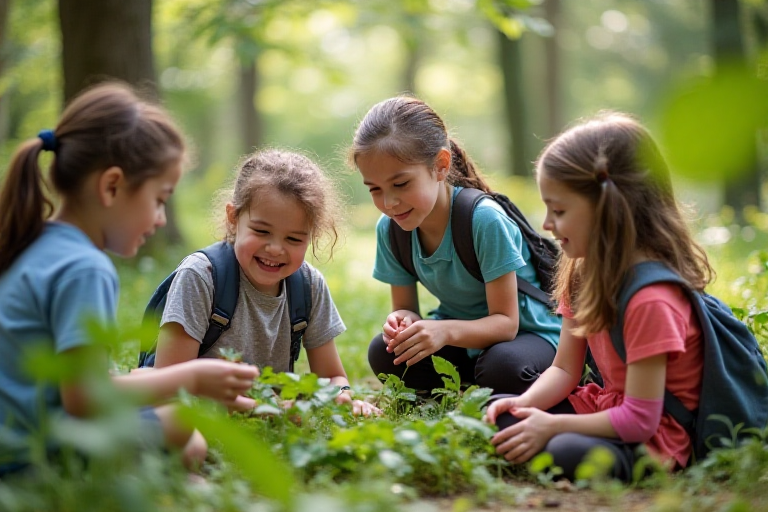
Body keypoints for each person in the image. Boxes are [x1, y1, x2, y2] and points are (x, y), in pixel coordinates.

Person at [0, 82, 260, 478]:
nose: (160, 219)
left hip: (15, 437)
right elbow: (84, 399)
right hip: (33, 457)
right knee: (186, 429)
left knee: (149, 391)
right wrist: (188, 377)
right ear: (112, 186)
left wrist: (143, 381)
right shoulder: (85, 268)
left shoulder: (35, 244)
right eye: (159, 199)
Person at [485, 112, 710, 482]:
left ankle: (556, 447)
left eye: (558, 210)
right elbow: (564, 369)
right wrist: (525, 405)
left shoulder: (651, 299)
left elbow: (640, 419)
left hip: (654, 436)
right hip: (608, 407)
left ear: (610, 211)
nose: (546, 224)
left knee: (566, 451)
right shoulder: (583, 272)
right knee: (501, 411)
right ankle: (540, 438)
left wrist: (553, 428)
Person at [350, 96, 561, 395]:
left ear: (440, 165)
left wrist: (444, 331)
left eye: (401, 184)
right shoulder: (392, 229)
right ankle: (469, 381)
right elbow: (406, 311)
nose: (389, 202)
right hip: (460, 337)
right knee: (384, 353)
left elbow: (506, 325)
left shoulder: (483, 220)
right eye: (375, 189)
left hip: (526, 336)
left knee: (502, 365)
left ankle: (521, 380)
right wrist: (402, 324)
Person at [153, 149, 379, 417]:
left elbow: (332, 376)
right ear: (233, 218)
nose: (275, 249)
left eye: (294, 239)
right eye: (261, 231)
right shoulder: (202, 277)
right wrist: (266, 407)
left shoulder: (308, 285)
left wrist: (342, 397)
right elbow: (167, 385)